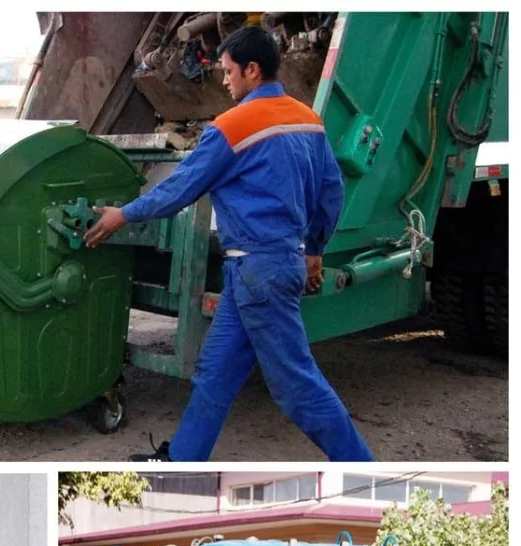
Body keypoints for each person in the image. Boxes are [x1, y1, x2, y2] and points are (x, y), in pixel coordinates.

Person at [84, 26, 373, 464]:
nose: (224, 81)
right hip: (268, 268)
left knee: (298, 389)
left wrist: (123, 214)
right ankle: (181, 461)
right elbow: (331, 193)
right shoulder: (308, 121)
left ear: (252, 70)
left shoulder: (233, 126)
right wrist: (314, 249)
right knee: (214, 376)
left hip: (259, 272)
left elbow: (179, 188)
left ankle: (363, 469)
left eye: (228, 71)